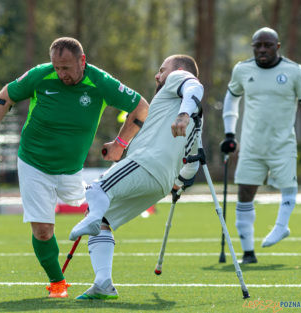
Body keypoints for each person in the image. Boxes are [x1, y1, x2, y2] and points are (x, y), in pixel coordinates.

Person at [0, 37, 149, 298]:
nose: (61, 74)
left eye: (66, 68)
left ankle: (104, 281)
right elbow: (6, 96)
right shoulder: (40, 76)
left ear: (82, 60)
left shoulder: (100, 81)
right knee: (43, 229)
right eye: (57, 67)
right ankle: (58, 283)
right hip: (33, 162)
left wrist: (120, 143)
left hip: (72, 170)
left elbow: (141, 106)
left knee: (100, 216)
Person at [69, 54, 204, 299]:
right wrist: (180, 185)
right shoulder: (196, 117)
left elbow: (195, 85)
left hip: (146, 163)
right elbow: (192, 161)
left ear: (179, 70)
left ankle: (93, 217)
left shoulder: (180, 80)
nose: (158, 75)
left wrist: (183, 114)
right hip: (161, 184)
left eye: (162, 69)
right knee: (103, 222)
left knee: (95, 189)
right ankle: (103, 283)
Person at [220, 27, 301, 264]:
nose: (262, 49)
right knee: (244, 193)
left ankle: (282, 226)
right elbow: (231, 98)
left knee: (289, 185)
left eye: (267, 45)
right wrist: (230, 133)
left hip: (283, 144)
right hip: (251, 146)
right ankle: (248, 253)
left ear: (277, 47)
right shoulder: (242, 70)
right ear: (253, 47)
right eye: (257, 45)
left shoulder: (294, 72)